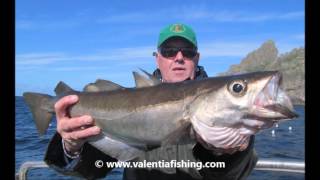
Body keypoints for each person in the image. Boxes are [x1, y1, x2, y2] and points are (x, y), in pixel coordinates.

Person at [44, 23, 261, 180]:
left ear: (197, 58)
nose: (178, 57)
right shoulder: (122, 103)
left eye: (187, 51)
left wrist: (232, 150)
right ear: (157, 57)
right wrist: (71, 146)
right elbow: (92, 171)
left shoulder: (226, 106)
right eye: (169, 51)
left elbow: (229, 175)